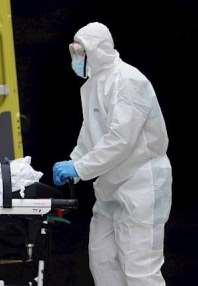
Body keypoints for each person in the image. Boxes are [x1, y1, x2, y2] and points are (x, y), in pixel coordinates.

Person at [52, 22, 172, 286]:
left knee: (140, 269)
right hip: (109, 184)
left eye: (81, 51)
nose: (76, 58)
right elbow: (92, 132)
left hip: (140, 182)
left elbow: (121, 139)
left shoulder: (127, 80)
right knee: (103, 260)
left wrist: (81, 168)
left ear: (96, 50)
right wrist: (75, 162)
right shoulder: (94, 84)